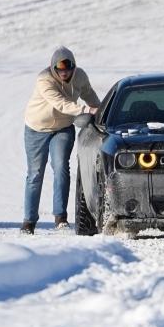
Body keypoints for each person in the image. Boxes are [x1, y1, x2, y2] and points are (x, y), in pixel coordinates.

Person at [21, 46, 100, 235]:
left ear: (74, 67)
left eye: (68, 69)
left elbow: (89, 94)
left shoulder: (80, 76)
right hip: (37, 128)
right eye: (60, 70)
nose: (64, 73)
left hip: (63, 128)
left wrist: (99, 110)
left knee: (61, 167)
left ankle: (60, 218)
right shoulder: (44, 80)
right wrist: (87, 111)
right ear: (53, 69)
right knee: (35, 174)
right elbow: (61, 103)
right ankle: (29, 222)